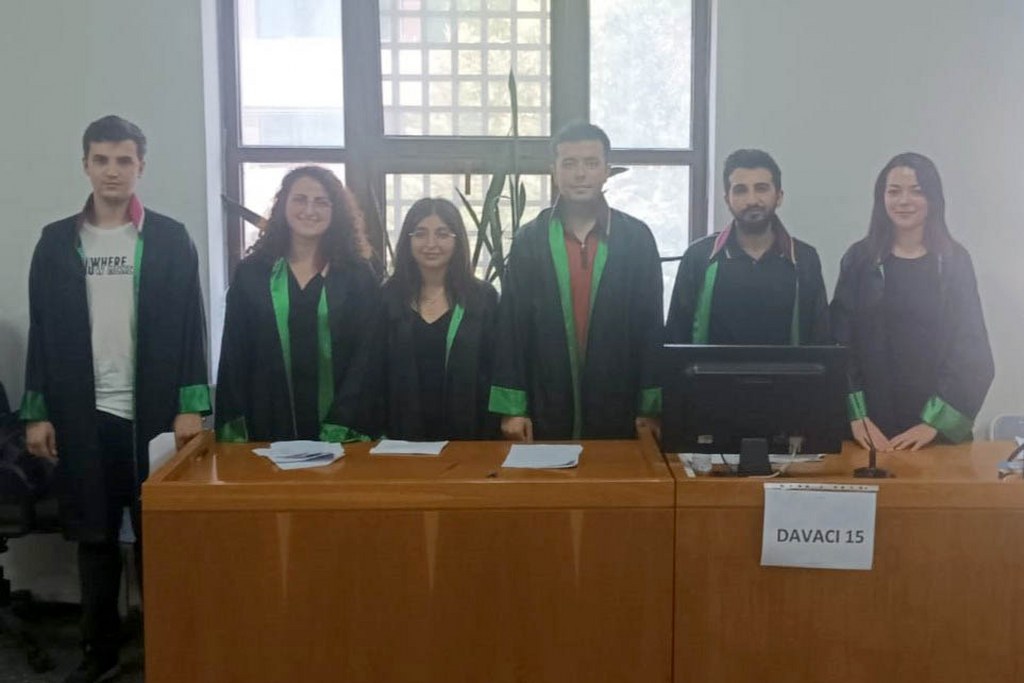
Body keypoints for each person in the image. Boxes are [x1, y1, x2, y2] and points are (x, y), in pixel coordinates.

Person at [21, 115, 210, 683]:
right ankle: (98, 652)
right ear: (85, 165)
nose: (112, 171)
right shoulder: (57, 242)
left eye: (124, 160)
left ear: (140, 167)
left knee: (160, 537)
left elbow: (191, 327)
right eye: (101, 159)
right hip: (84, 413)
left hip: (152, 413)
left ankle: (167, 650)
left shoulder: (169, 238)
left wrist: (191, 404)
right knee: (95, 537)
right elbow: (42, 332)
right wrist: (37, 412)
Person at [489, 121, 663, 441]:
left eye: (591, 163)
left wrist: (650, 406)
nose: (580, 174)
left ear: (606, 171)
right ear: (553, 171)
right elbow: (512, 328)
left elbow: (650, 326)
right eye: (569, 164)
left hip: (620, 403)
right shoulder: (531, 240)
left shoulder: (636, 239)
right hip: (545, 402)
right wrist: (513, 408)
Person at [831, 152, 994, 451]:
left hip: (934, 435)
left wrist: (933, 424)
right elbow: (840, 342)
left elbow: (971, 349)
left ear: (933, 199)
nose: (904, 201)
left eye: (916, 191)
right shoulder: (860, 260)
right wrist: (857, 416)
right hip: (868, 432)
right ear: (881, 199)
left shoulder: (954, 262)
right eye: (894, 191)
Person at [215, 165, 380, 443]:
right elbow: (235, 353)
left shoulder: (357, 275)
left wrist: (343, 423)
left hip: (343, 430)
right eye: (300, 199)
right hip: (266, 425)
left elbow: (367, 356)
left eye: (321, 202)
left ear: (336, 211)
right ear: (283, 206)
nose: (309, 210)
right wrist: (235, 429)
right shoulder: (252, 273)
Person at [666, 149, 829, 345]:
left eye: (761, 188)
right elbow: (675, 340)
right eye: (740, 190)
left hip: (788, 367)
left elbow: (820, 342)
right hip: (709, 367)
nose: (752, 200)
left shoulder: (803, 259)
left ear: (779, 196)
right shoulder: (699, 257)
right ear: (727, 199)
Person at [370, 197, 499, 439]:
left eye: (442, 234)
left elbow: (495, 366)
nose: (431, 244)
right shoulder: (387, 297)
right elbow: (374, 369)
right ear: (408, 240)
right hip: (401, 435)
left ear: (457, 240)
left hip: (469, 433)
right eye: (420, 234)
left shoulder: (482, 298)